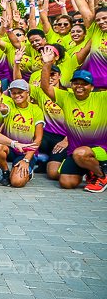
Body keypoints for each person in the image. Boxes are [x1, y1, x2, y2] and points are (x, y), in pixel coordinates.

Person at [39, 49, 107, 192]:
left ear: (92, 87)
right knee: (66, 182)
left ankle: (102, 176)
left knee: (80, 153)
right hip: (75, 151)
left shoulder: (102, 98)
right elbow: (45, 87)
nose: (79, 86)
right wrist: (47, 64)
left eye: (84, 84)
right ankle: (90, 170)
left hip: (100, 149)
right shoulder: (66, 97)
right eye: (76, 83)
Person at [0, 79, 43, 188]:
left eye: (20, 92)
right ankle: (5, 172)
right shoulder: (10, 103)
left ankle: (27, 172)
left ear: (27, 92)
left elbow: (38, 139)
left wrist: (26, 160)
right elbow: (5, 108)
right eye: (14, 93)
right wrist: (1, 109)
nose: (17, 95)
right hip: (11, 148)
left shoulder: (36, 110)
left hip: (26, 151)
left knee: (16, 182)